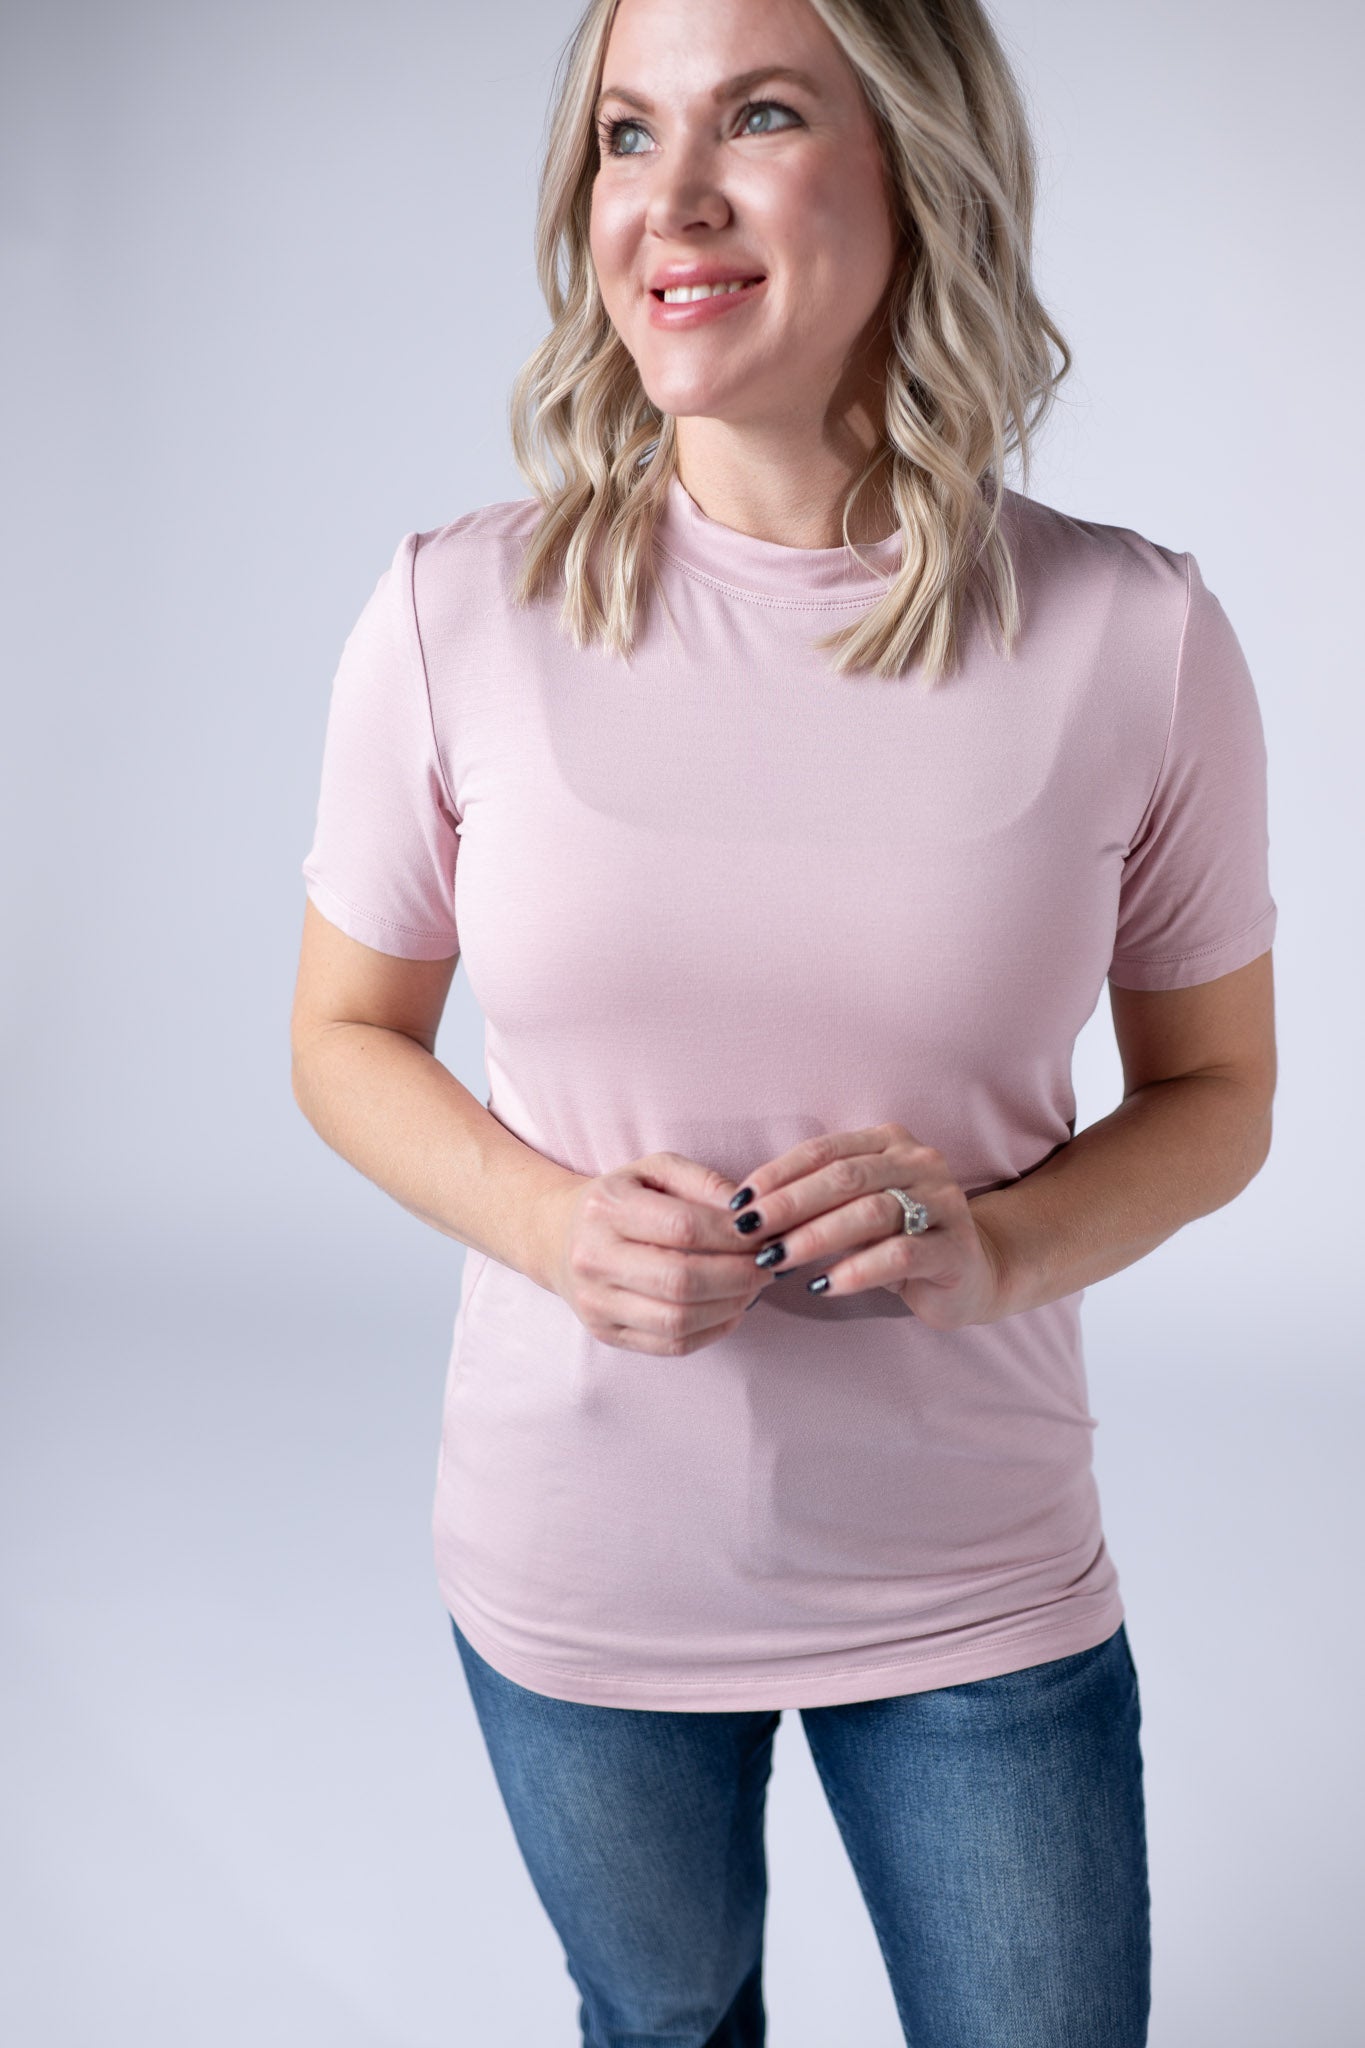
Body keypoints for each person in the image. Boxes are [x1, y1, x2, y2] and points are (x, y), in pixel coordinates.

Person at [290, 0, 1278, 2041]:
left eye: (753, 116)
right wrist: (554, 1224)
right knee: (662, 2024)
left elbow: (1216, 1092)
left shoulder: (1134, 635)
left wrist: (1000, 1245)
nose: (670, 199)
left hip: (974, 1572)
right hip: (579, 1568)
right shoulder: (452, 614)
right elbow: (341, 1035)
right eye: (623, 132)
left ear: (914, 165)